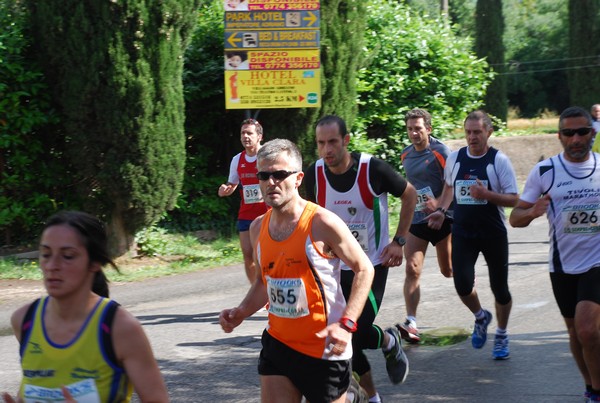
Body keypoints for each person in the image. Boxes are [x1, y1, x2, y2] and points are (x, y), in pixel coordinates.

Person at [219, 139, 375, 403]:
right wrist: (241, 312)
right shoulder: (257, 228)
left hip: (324, 349)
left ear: (298, 178)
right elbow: (263, 282)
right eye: (264, 175)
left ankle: (351, 395)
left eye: (279, 174)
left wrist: (347, 324)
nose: (271, 182)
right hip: (278, 343)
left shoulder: (322, 223)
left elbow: (364, 269)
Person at [303, 115, 416, 403]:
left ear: (346, 141)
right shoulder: (314, 174)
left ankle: (389, 341)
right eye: (320, 143)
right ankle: (373, 395)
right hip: (333, 268)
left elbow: (409, 195)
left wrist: (399, 241)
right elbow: (312, 217)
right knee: (344, 335)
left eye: (332, 142)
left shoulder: (372, 169)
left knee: (355, 331)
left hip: (371, 266)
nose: (327, 150)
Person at [1, 211, 168, 403]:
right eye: (46, 254)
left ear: (95, 263)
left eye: (68, 256)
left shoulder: (120, 328)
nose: (52, 265)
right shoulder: (24, 320)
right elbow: (36, 388)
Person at [509, 106, 600, 402]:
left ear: (593, 133)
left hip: (597, 262)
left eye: (582, 132)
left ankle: (598, 392)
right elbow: (515, 217)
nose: (576, 139)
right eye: (569, 133)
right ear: (559, 136)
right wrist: (533, 211)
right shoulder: (545, 171)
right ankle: (589, 385)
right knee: (575, 333)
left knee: (587, 330)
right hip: (562, 265)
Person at [428, 110, 519, 360]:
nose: (472, 137)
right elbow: (449, 188)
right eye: (468, 132)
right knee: (462, 284)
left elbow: (514, 198)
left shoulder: (498, 160)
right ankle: (481, 317)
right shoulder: (456, 158)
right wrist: (441, 210)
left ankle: (501, 334)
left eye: (477, 132)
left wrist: (488, 195)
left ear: (488, 132)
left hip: (492, 233)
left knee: (500, 289)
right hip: (463, 231)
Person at [396, 108, 453, 344]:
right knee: (412, 268)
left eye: (418, 128)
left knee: (448, 270)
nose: (414, 133)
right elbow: (411, 187)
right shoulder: (405, 155)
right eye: (410, 129)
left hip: (443, 218)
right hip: (417, 220)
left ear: (428, 128)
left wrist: (438, 205)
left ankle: (470, 291)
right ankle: (411, 321)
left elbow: (452, 184)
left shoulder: (441, 152)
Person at [218, 118, 268, 283]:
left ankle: (269, 291)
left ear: (259, 136)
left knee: (264, 255)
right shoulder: (237, 160)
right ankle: (255, 293)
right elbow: (232, 184)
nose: (245, 136)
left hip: (266, 214)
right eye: (243, 133)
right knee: (248, 256)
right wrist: (225, 190)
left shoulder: (267, 156)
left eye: (249, 133)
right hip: (246, 214)